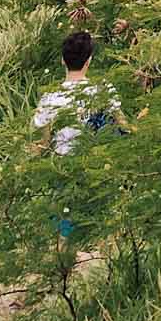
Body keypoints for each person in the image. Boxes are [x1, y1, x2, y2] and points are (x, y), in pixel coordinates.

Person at [30, 30, 129, 242]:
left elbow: (45, 145)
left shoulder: (50, 98)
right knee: (103, 231)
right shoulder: (103, 90)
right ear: (89, 60)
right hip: (98, 167)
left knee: (65, 232)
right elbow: (124, 126)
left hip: (64, 171)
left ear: (62, 61)